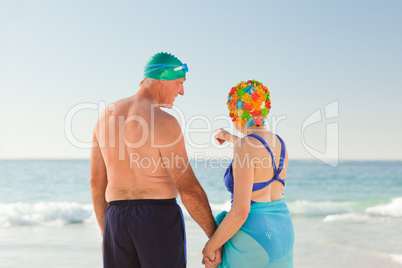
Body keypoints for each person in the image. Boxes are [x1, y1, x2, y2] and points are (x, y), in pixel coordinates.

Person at [90, 52, 221, 268]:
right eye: (180, 83)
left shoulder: (104, 117)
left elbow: (96, 183)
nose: (182, 91)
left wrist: (108, 236)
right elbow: (189, 190)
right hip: (156, 218)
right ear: (163, 79)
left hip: (115, 219)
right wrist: (215, 239)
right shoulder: (164, 121)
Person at [202, 80, 295, 268]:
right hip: (283, 230)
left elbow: (241, 211)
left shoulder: (244, 146)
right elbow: (260, 152)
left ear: (237, 113)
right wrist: (230, 137)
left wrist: (210, 246)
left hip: (253, 234)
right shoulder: (280, 143)